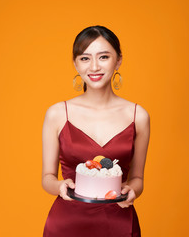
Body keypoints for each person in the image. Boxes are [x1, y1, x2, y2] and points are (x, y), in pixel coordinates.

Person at [42, 25, 150, 237]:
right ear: (75, 64)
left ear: (118, 60)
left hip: (119, 224)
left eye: (103, 57)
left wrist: (132, 190)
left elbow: (138, 178)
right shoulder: (57, 113)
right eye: (84, 58)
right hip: (66, 225)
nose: (94, 67)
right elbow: (47, 178)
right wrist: (59, 186)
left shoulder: (139, 116)